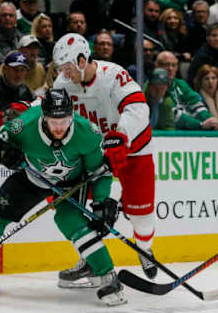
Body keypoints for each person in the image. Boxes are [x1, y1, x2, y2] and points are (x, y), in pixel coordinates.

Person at [0, 88, 127, 307]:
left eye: (64, 121)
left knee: (69, 220)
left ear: (72, 116)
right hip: (32, 178)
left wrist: (102, 202)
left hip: (71, 185)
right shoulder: (23, 125)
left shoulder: (87, 133)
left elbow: (99, 172)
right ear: (43, 116)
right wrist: (0, 152)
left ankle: (109, 277)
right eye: (53, 122)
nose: (59, 128)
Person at [52, 33, 159, 287]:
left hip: (134, 146)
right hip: (95, 152)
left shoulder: (114, 74)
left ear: (82, 59)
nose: (65, 74)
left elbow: (138, 107)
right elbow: (49, 111)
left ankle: (145, 249)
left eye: (68, 67)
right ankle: (89, 259)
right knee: (84, 210)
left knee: (141, 213)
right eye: (61, 69)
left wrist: (121, 135)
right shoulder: (62, 84)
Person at [156, 51, 218, 130]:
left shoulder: (181, 84)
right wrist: (200, 125)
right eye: (166, 65)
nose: (170, 68)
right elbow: (170, 114)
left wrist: (211, 121)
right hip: (165, 134)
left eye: (174, 65)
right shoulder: (154, 86)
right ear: (157, 66)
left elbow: (196, 105)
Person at [0, 51, 34, 128]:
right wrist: (10, 123)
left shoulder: (25, 90)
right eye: (15, 69)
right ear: (4, 69)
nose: (18, 74)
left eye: (22, 70)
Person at [188, 23, 218, 98]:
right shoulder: (202, 55)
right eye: (214, 35)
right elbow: (194, 80)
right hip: (207, 93)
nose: (217, 39)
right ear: (207, 38)